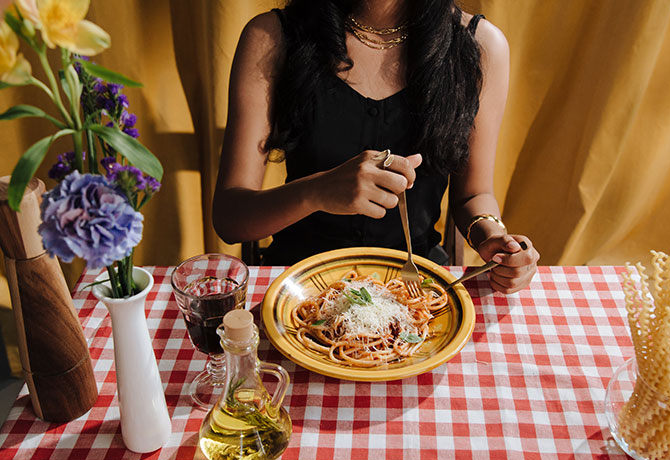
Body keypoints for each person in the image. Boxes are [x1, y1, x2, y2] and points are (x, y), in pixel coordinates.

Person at [213, 0, 540, 294]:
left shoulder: (480, 45)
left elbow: (473, 196)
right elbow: (230, 218)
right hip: (297, 285)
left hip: (416, 288)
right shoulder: (271, 37)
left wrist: (494, 238)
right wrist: (317, 191)